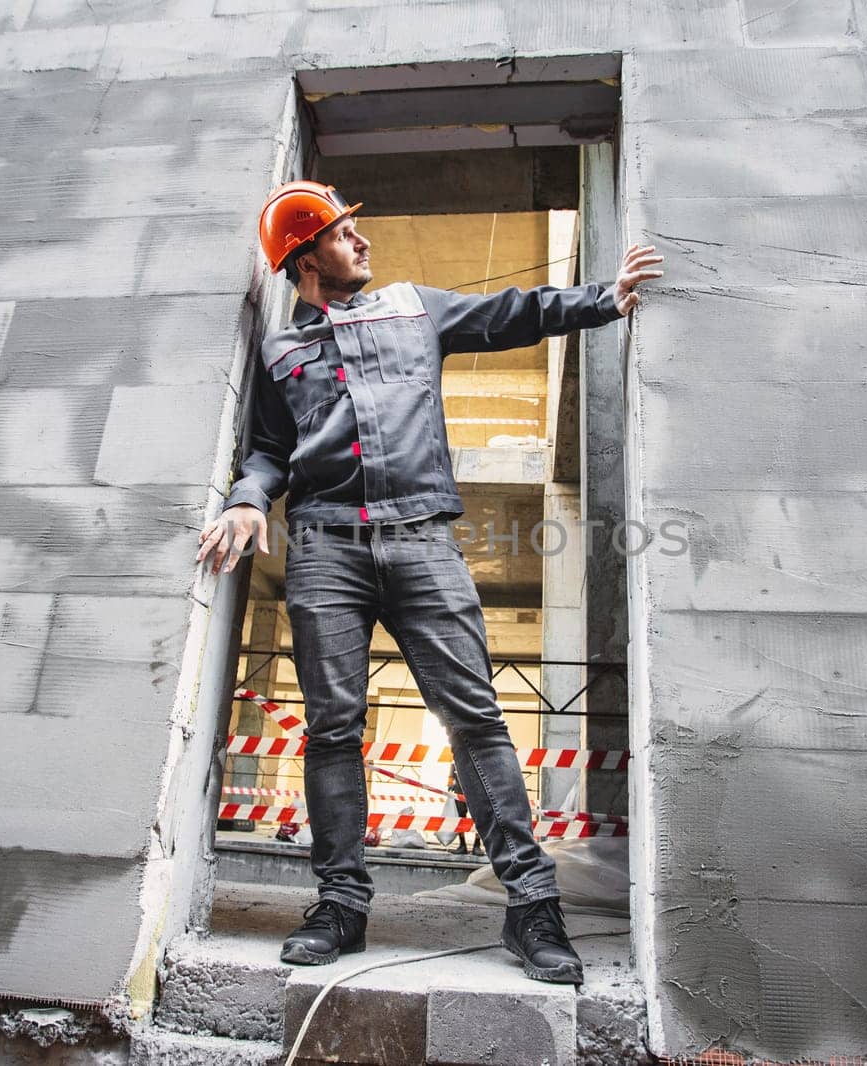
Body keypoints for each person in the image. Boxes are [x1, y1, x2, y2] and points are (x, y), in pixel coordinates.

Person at [196, 180, 661, 985]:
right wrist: (245, 500)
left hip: (422, 544)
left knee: (475, 718)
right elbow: (270, 448)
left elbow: (510, 313)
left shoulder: (414, 307)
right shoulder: (279, 353)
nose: (362, 242)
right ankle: (341, 906)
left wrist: (603, 299)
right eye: (345, 234)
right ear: (306, 261)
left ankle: (532, 908)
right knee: (333, 728)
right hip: (323, 550)